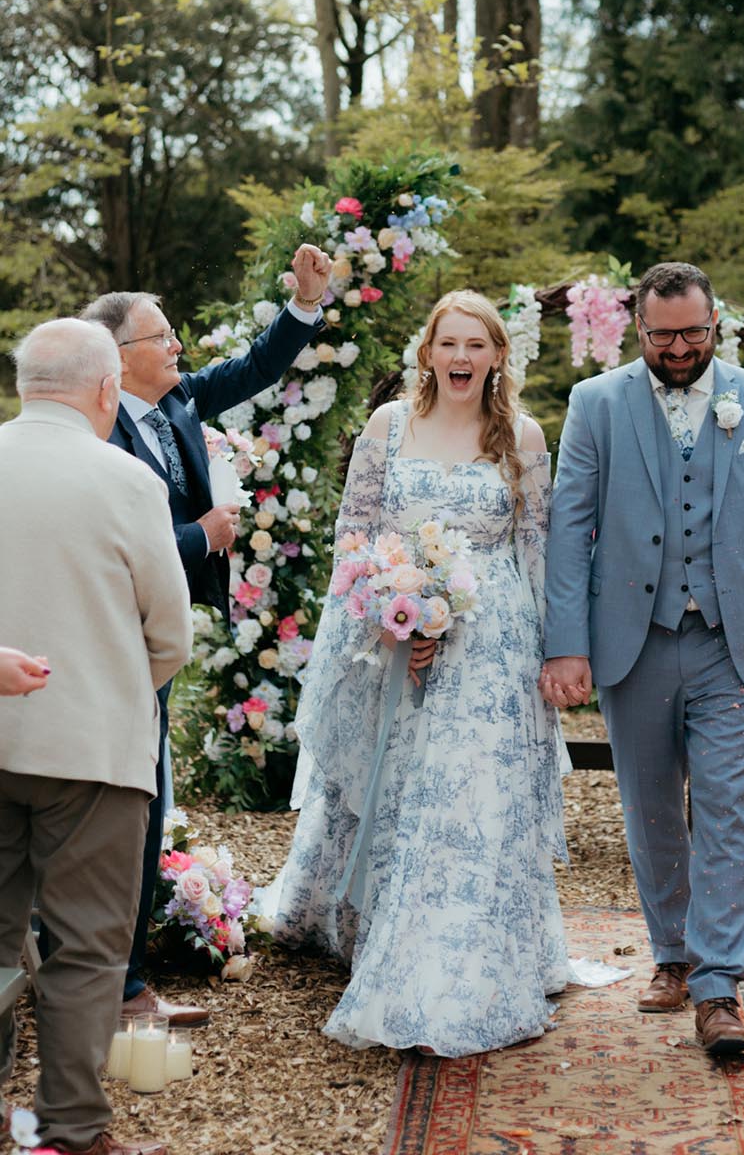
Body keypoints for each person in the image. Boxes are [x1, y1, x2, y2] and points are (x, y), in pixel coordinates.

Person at [272, 290, 569, 1056]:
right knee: (401, 788)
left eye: (476, 344)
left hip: (495, 646)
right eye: (449, 343)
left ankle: (463, 956)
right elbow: (355, 533)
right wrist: (385, 613)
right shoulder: (388, 425)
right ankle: (379, 926)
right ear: (428, 354)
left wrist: (556, 655)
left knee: (469, 794)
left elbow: (538, 549)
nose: (461, 357)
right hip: (396, 636)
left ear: (498, 356)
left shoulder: (523, 436)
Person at [541, 261, 744, 1057]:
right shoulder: (596, 403)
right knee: (652, 806)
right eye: (662, 335)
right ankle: (673, 953)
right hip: (633, 639)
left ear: (715, 322)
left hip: (734, 643)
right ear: (637, 328)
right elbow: (570, 527)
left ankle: (718, 985)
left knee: (725, 805)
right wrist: (567, 644)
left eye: (693, 332)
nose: (678, 349)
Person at [80, 241, 330, 1027]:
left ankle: (124, 982)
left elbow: (254, 368)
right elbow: (109, 543)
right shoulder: (98, 434)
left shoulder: (180, 398)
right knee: (127, 802)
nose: (177, 344)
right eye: (161, 336)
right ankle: (117, 990)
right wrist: (203, 537)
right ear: (117, 355)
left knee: (147, 796)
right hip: (114, 640)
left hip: (159, 634)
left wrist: (304, 305)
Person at [0, 319, 191, 1155]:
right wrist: (115, 690)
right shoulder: (126, 480)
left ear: (24, 385)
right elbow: (170, 633)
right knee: (85, 945)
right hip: (92, 751)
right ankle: (70, 1131)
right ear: (109, 388)